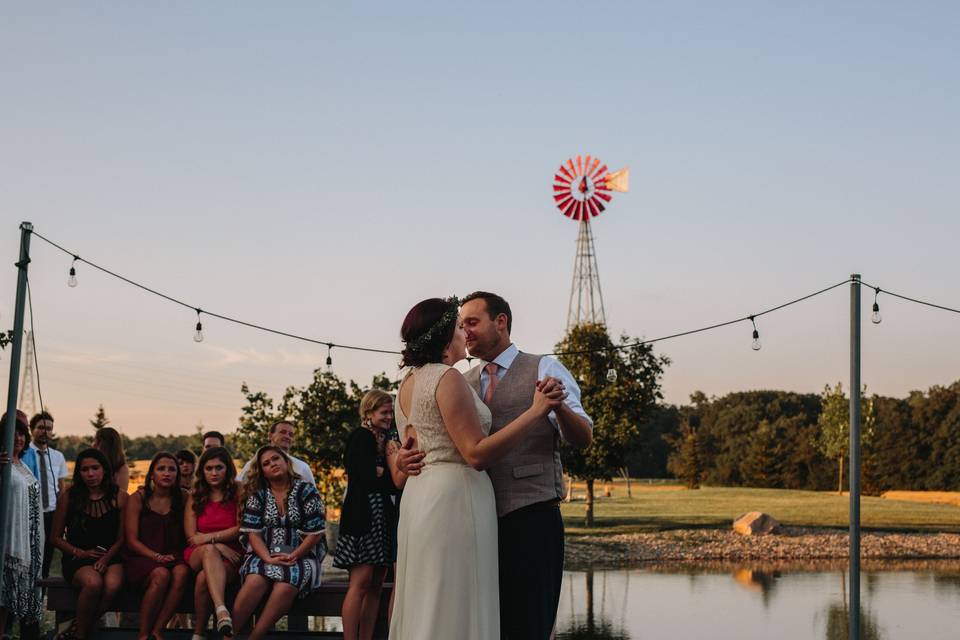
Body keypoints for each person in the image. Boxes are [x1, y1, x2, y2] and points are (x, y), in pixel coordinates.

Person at [388, 297, 565, 640]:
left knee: (430, 596)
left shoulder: (407, 383)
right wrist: (536, 410)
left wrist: (399, 460)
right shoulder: (448, 378)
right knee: (457, 598)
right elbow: (476, 453)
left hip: (421, 497)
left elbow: (411, 447)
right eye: (458, 327)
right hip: (456, 498)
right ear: (444, 337)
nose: (463, 335)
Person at [462, 291, 593, 639]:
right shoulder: (463, 383)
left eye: (472, 322)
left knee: (531, 623)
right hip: (479, 519)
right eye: (462, 326)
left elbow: (583, 438)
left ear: (500, 321)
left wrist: (558, 406)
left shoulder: (544, 366)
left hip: (533, 516)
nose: (465, 332)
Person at [232, 446, 326, 640]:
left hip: (302, 554)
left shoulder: (305, 490)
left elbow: (315, 533)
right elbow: (252, 533)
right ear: (262, 471)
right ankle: (228, 636)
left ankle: (254, 638)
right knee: (255, 581)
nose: (272, 464)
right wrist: (267, 557)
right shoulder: (258, 494)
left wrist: (295, 554)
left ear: (286, 462)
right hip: (263, 553)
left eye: (276, 459)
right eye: (266, 463)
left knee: (286, 585)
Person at [336, 390, 405, 640]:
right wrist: (382, 474)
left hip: (383, 517)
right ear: (369, 413)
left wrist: (381, 473)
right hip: (362, 517)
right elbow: (364, 477)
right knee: (361, 582)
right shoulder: (361, 437)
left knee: (377, 582)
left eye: (391, 412)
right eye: (383, 412)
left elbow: (384, 481)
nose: (389, 417)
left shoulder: (387, 440)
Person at [50, 448, 127, 640]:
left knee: (113, 584)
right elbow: (55, 537)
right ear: (79, 472)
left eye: (95, 468)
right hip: (78, 558)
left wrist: (106, 558)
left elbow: (122, 537)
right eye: (85, 469)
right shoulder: (69, 497)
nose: (90, 474)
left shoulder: (120, 496)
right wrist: (81, 553)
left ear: (105, 470)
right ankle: (81, 635)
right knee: (93, 583)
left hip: (112, 555)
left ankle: (77, 624)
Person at [124, 452, 190, 640]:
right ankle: (144, 634)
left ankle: (158, 630)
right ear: (152, 474)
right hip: (142, 557)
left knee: (181, 573)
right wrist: (156, 557)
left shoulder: (184, 497)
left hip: (173, 556)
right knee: (161, 574)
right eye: (161, 469)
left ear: (177, 474)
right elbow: (131, 540)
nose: (167, 473)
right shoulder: (139, 498)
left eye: (172, 469)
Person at [184, 447, 242, 640]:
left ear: (228, 469)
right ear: (202, 471)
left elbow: (241, 527)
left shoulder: (238, 491)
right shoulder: (196, 494)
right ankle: (221, 611)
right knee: (209, 551)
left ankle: (198, 634)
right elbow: (192, 537)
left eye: (219, 467)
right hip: (197, 552)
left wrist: (210, 538)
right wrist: (217, 544)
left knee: (203, 579)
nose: (214, 473)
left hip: (231, 555)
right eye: (209, 468)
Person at [0, 411, 44, 638]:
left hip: (26, 540)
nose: (18, 438)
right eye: (13, 433)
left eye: (21, 434)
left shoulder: (21, 464)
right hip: (8, 542)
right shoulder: (3, 462)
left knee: (7, 603)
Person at [28, 411, 69, 579]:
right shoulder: (23, 454)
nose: (45, 432)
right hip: (30, 512)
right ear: (31, 429)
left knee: (46, 557)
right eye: (41, 427)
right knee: (29, 557)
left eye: (49, 428)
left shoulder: (58, 456)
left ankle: (39, 597)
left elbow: (61, 487)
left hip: (51, 514)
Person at [236, 421, 315, 486]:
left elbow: (314, 498)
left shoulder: (302, 468)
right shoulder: (252, 465)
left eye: (291, 435)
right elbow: (240, 490)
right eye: (283, 432)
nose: (287, 436)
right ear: (270, 436)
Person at [93, 427, 130, 494]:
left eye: (96, 441)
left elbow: (121, 495)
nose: (93, 444)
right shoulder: (92, 463)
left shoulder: (121, 468)